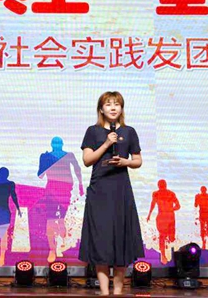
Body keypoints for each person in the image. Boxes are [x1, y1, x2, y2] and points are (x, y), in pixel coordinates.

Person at [79, 91, 144, 296]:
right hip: (100, 189)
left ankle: (118, 292)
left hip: (120, 189)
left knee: (121, 238)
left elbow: (138, 160)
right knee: (102, 239)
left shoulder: (129, 131)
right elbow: (87, 160)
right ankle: (104, 292)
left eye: (117, 104)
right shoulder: (93, 131)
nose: (113, 108)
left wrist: (126, 162)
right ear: (101, 109)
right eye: (108, 104)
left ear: (121, 108)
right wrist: (107, 144)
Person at [37, 136, 84, 262]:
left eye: (58, 143)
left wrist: (80, 185)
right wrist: (45, 161)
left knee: (61, 220)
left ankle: (62, 244)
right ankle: (52, 249)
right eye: (55, 143)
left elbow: (77, 169)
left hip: (65, 190)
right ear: (52, 145)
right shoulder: (46, 156)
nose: (57, 145)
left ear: (62, 144)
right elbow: (40, 175)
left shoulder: (69, 155)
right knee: (50, 220)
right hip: (51, 190)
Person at [146, 179, 180, 264]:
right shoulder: (169, 193)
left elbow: (153, 204)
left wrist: (149, 214)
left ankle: (165, 254)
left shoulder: (158, 194)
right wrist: (171, 209)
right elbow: (178, 206)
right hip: (168, 216)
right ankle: (164, 254)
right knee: (166, 237)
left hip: (164, 216)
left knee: (165, 237)